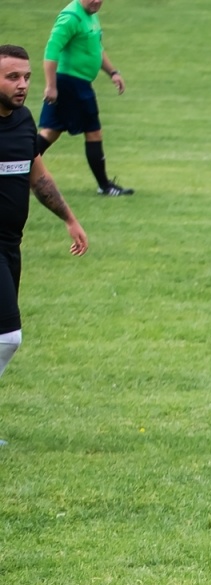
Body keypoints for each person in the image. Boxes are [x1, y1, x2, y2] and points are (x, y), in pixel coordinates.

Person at [0, 45, 89, 406]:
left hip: (10, 246)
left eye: (26, 77)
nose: (22, 85)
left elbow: (38, 176)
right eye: (12, 77)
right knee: (9, 337)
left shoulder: (23, 121)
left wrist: (69, 218)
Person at [38, 0, 131, 197]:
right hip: (70, 83)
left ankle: (13, 172)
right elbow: (51, 50)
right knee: (93, 132)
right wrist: (51, 85)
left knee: (51, 132)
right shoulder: (71, 17)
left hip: (77, 83)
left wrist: (113, 72)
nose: (97, 1)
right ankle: (104, 186)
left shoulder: (90, 14)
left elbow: (97, 47)